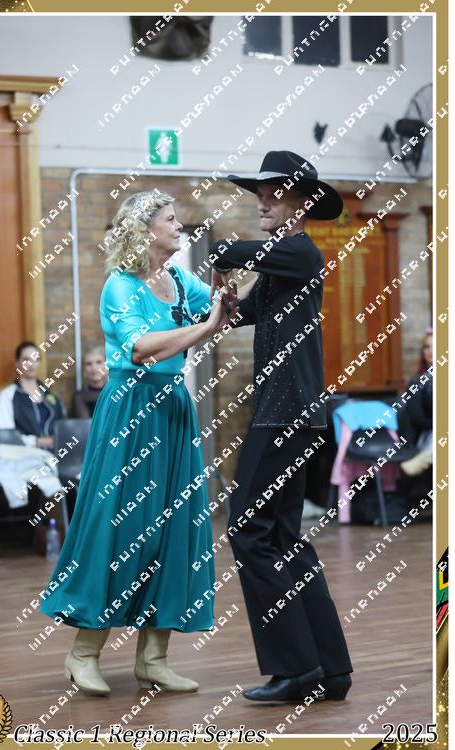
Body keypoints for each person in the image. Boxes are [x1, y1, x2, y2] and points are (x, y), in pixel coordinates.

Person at [39, 189, 237, 697]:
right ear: (145, 230)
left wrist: (230, 292)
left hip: (173, 411)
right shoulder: (120, 285)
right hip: (131, 410)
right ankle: (83, 653)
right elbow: (141, 348)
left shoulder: (178, 279)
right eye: (170, 219)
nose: (179, 226)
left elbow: (221, 313)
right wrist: (208, 324)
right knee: (119, 527)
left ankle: (153, 659)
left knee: (173, 529)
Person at [209, 150, 353, 702]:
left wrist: (221, 259)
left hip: (284, 416)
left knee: (248, 530)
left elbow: (230, 250)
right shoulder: (281, 266)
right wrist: (213, 303)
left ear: (302, 203)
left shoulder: (298, 252)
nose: (263, 202)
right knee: (283, 538)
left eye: (275, 194)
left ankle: (297, 669)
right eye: (261, 194)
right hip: (292, 415)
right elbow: (240, 314)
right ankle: (330, 669)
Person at [0, 341, 66, 450]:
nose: (32, 365)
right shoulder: (7, 396)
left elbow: (63, 425)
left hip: (56, 453)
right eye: (26, 360)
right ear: (17, 363)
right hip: (25, 454)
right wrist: (37, 441)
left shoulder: (50, 393)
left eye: (36, 359)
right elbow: (6, 436)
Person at [398, 327, 433, 477]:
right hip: (426, 435)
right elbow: (418, 419)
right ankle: (427, 456)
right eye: (427, 347)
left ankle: (428, 457)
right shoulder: (417, 382)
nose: (431, 351)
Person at [72, 345, 108, 418]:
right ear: (84, 368)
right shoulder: (80, 397)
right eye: (88, 364)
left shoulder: (118, 392)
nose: (94, 368)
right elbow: (85, 423)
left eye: (99, 362)